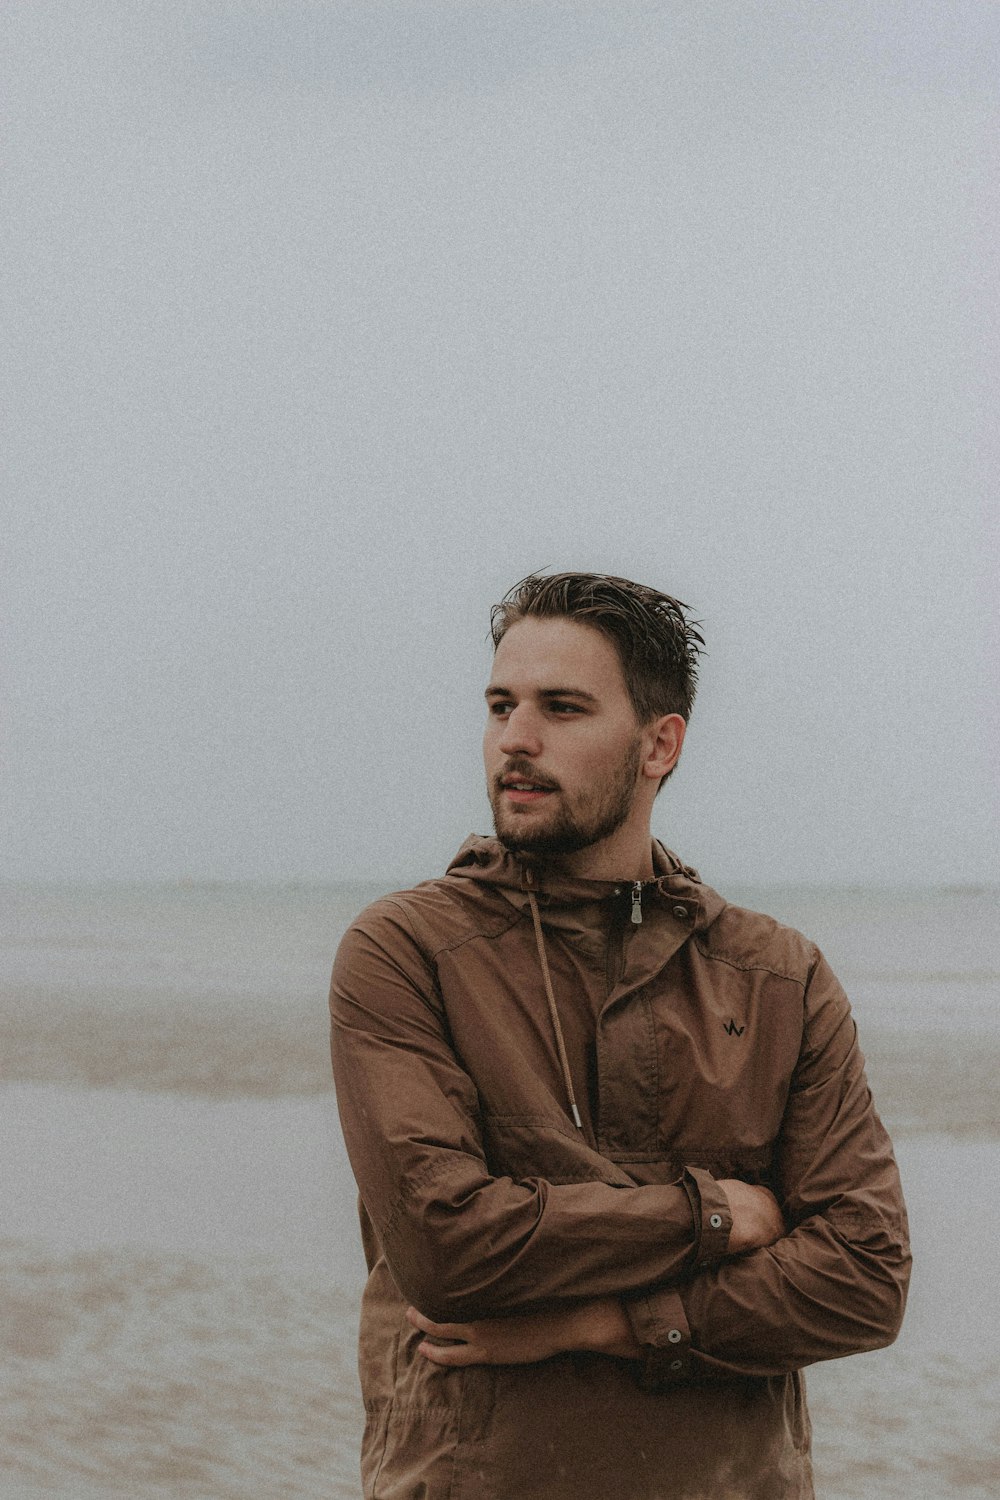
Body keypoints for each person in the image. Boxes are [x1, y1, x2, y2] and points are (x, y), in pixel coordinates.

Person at [329, 571, 910, 1500]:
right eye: (500, 705)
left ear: (658, 745)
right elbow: (447, 1247)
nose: (516, 739)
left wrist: (600, 1322)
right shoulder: (409, 951)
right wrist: (715, 1215)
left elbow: (864, 1278)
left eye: (562, 708)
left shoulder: (778, 977)